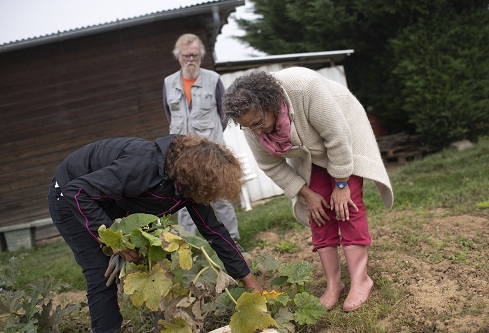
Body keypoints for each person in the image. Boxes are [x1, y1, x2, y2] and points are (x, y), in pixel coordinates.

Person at [47, 134, 262, 333]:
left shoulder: (186, 183)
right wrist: (112, 237)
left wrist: (248, 280)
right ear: (195, 180)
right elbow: (78, 190)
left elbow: (214, 231)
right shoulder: (142, 167)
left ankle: (163, 326)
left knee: (159, 263)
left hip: (112, 199)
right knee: (101, 273)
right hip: (69, 194)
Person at [222, 67, 394, 312]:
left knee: (347, 206)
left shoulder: (305, 88)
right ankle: (334, 284)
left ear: (270, 104)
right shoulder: (252, 124)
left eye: (259, 123)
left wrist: (342, 184)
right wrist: (306, 194)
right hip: (311, 154)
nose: (257, 131)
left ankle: (361, 280)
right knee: (318, 212)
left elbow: (338, 137)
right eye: (249, 127)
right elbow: (270, 165)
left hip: (344, 136)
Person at [162, 33, 243, 249]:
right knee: (184, 199)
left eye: (196, 56)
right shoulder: (168, 83)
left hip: (212, 151)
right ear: (178, 56)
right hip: (183, 154)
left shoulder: (214, 79)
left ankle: (232, 240)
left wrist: (212, 139)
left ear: (201, 56)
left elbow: (224, 114)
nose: (191, 60)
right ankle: (187, 245)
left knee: (221, 196)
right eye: (187, 55)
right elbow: (169, 114)